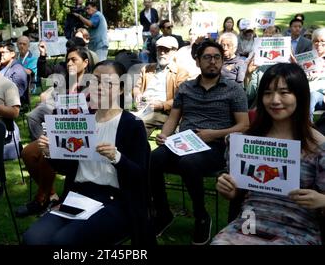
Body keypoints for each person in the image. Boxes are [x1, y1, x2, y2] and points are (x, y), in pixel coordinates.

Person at [22, 60, 155, 245]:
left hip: (114, 201)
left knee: (63, 242)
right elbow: (69, 168)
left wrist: (117, 158)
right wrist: (51, 153)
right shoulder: (81, 121)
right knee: (32, 239)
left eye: (108, 83)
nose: (99, 87)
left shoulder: (131, 125)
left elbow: (140, 176)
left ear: (121, 89)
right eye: (95, 81)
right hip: (78, 196)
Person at [212, 63, 325, 245]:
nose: (274, 100)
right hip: (248, 224)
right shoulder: (246, 141)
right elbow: (238, 192)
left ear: (300, 96)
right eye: (267, 93)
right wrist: (229, 190)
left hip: (297, 230)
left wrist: (322, 200)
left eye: (284, 92)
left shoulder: (318, 146)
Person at [150, 40, 249, 245]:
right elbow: (173, 118)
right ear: (197, 62)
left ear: (222, 61)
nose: (212, 62)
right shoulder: (186, 88)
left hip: (216, 145)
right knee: (153, 158)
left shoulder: (234, 89)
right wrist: (164, 135)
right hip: (183, 142)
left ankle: (201, 216)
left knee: (189, 162)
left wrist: (214, 134)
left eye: (217, 57)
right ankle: (163, 212)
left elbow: (244, 126)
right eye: (207, 57)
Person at [15, 47, 92, 217]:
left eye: (74, 59)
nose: (69, 62)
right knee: (28, 152)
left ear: (86, 63)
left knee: (46, 154)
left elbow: (92, 117)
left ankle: (41, 199)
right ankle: (51, 195)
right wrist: (51, 130)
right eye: (68, 60)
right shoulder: (66, 84)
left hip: (81, 138)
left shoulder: (92, 86)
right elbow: (57, 112)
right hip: (60, 132)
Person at [133, 36, 189, 136]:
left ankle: (136, 150)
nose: (162, 53)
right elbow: (137, 87)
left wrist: (162, 105)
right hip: (143, 107)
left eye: (166, 50)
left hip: (165, 112)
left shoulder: (181, 72)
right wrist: (137, 94)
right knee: (122, 119)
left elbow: (181, 99)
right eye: (159, 49)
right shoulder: (146, 68)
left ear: (174, 51)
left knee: (138, 124)